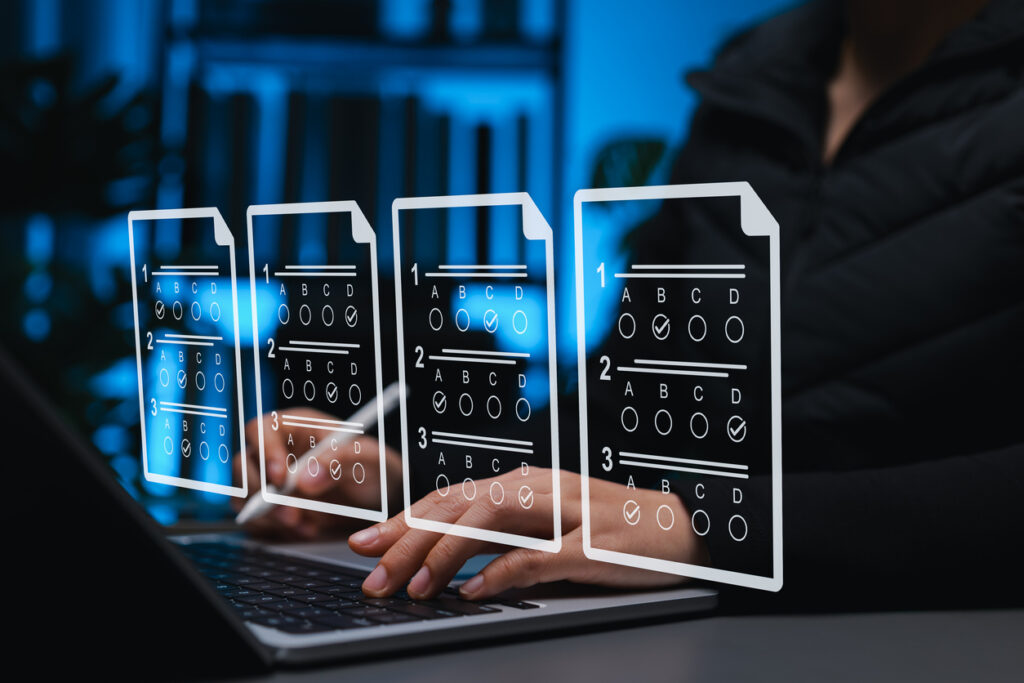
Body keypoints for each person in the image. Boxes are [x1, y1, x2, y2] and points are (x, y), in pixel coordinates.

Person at [235, 0, 1024, 609]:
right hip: (684, 626)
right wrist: (405, 477)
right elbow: (626, 415)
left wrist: (697, 523)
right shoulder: (756, 85)